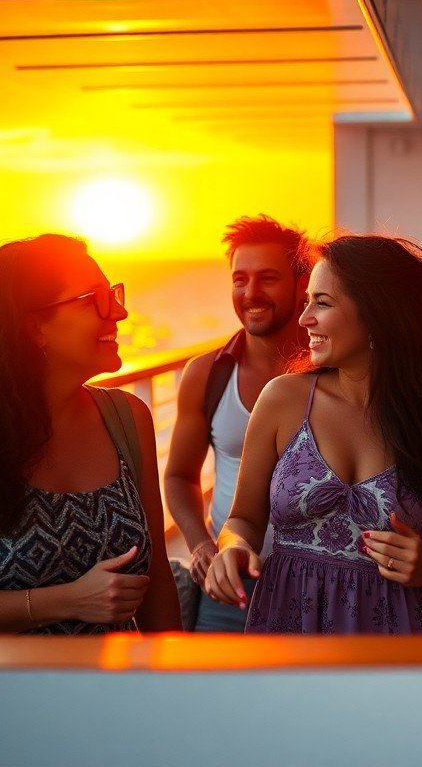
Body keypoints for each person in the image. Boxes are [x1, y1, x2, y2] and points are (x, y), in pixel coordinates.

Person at [205, 234, 422, 633]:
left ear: (378, 314)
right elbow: (242, 519)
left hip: (403, 639)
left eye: (322, 303)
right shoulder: (282, 399)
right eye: (307, 301)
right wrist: (234, 548)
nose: (304, 318)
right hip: (288, 629)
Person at [0, 234, 181, 634]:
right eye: (93, 300)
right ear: (33, 327)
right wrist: (70, 600)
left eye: (112, 293)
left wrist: (173, 671)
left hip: (114, 673)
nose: (119, 311)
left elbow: (156, 579)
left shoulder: (126, 418)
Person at [164, 215, 308, 632]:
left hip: (316, 588)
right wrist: (200, 546)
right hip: (231, 586)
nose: (251, 293)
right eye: (239, 279)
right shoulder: (206, 375)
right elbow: (178, 476)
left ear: (303, 285)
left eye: (268, 278)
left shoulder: (336, 374)